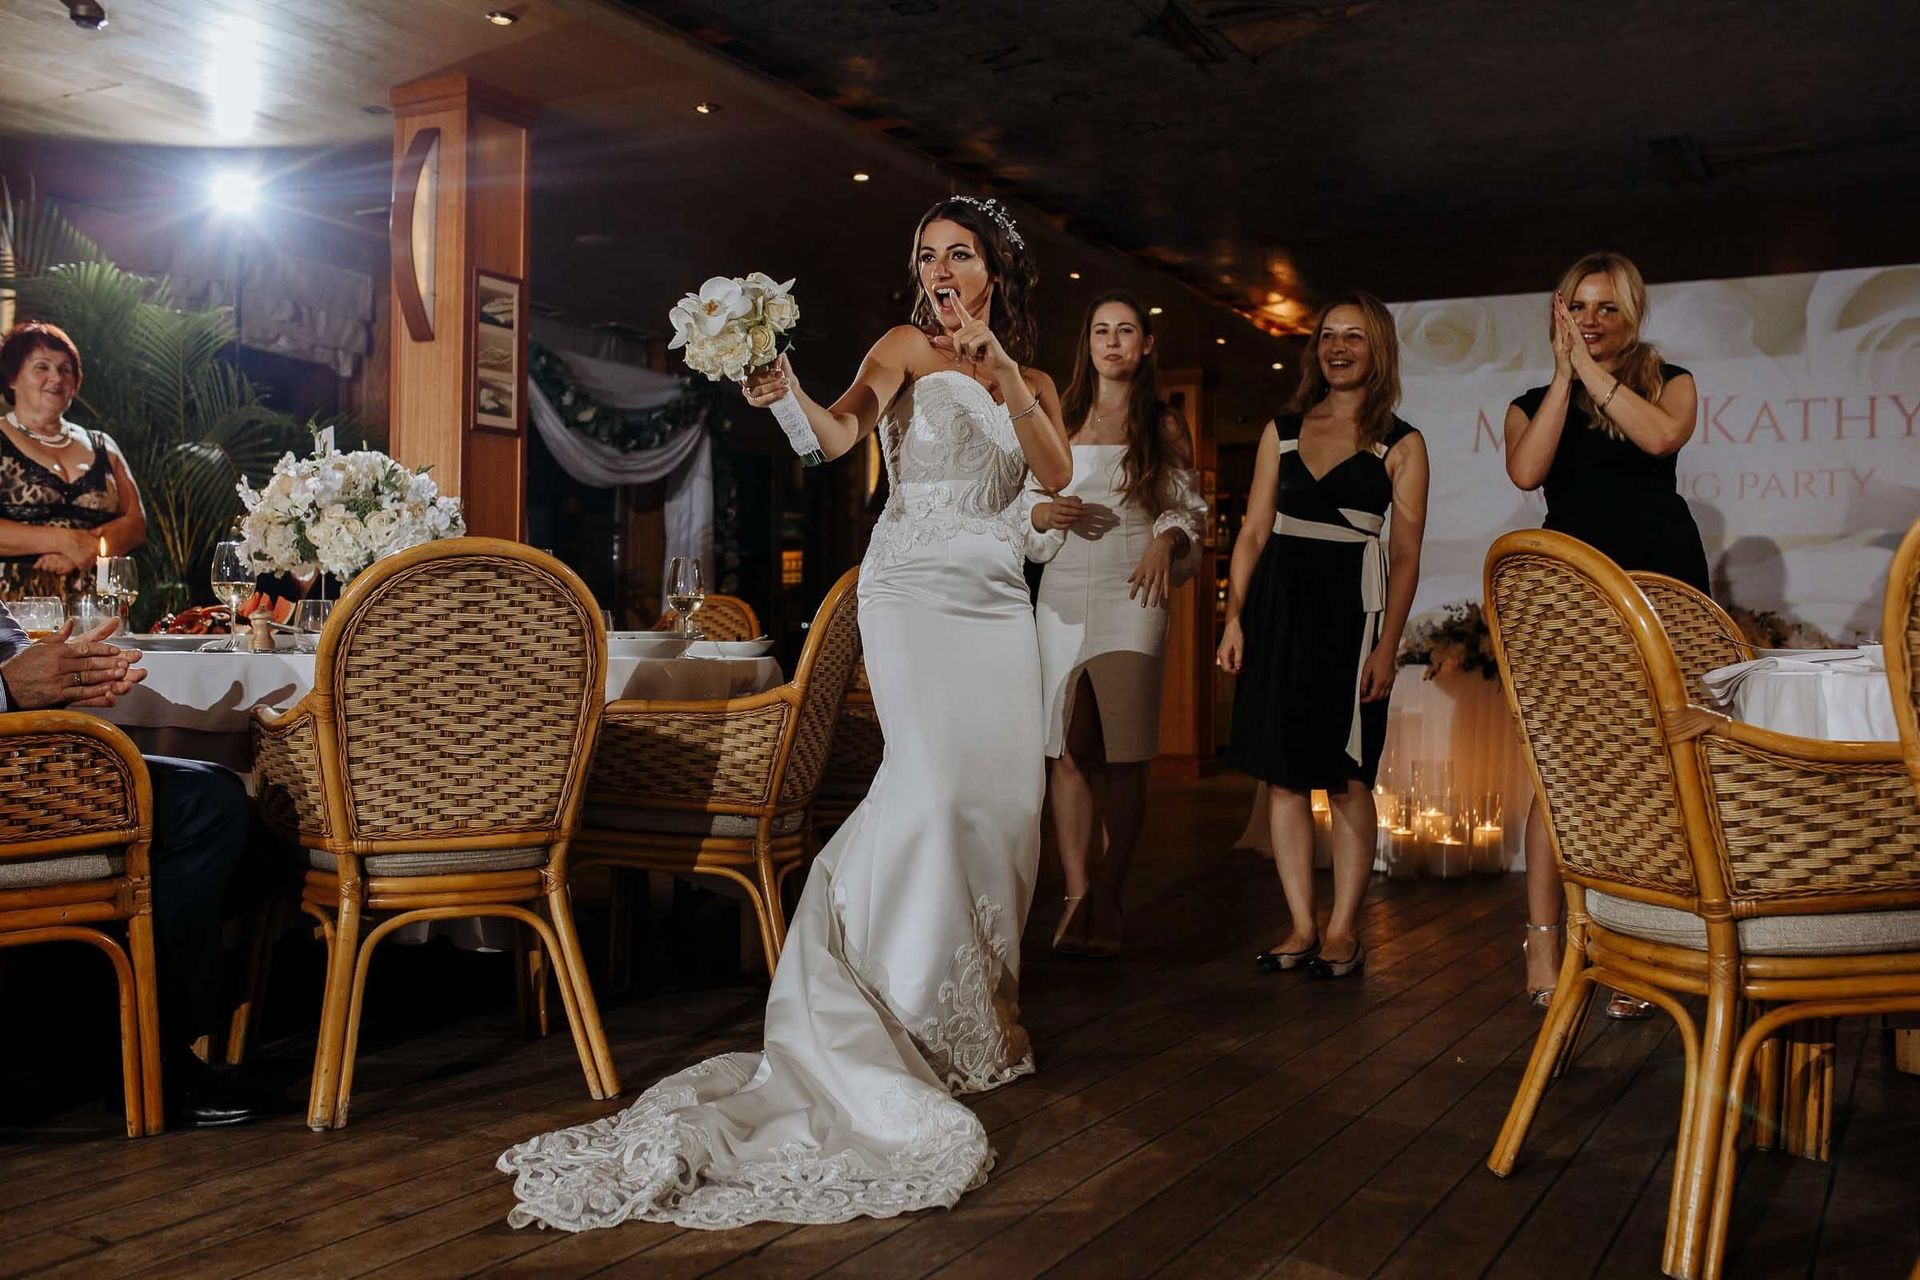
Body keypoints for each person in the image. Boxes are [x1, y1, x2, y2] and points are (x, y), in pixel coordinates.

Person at [499, 196, 1072, 1230]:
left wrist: (998, 368)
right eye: (926, 253)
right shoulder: (901, 345)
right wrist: (782, 394)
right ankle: (884, 1001)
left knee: (1004, 804)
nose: (940, 267)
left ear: (996, 272)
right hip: (910, 592)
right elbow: (833, 437)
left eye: (960, 253)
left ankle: (975, 1022)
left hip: (997, 605)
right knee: (933, 790)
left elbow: (1056, 472)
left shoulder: (1030, 380)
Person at [1505, 251, 1704, 1017]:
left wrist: (1592, 377)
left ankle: (1637, 949)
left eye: (1605, 309)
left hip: (1661, 589)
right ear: (1559, 315)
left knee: (1652, 774)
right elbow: (1527, 473)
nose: (1590, 322)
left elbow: (1659, 441)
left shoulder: (1671, 381)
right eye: (1576, 308)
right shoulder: (1530, 399)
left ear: (1632, 314)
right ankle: (1544, 939)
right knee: (1563, 771)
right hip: (1573, 600)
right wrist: (1564, 378)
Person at [1218, 293, 1429, 981]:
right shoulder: (1281, 430)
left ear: (1379, 352)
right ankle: (1301, 925)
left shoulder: (1402, 443)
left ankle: (1343, 930)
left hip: (1352, 614)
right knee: (1282, 776)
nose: (1338, 348)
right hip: (1278, 607)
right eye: (1328, 336)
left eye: (1355, 338)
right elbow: (1251, 533)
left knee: (1345, 777)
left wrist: (1387, 646)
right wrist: (1234, 619)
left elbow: (1405, 556)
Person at [0, 607, 269, 1127]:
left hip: (19, 767)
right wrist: (10, 688)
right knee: (208, 808)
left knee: (253, 822)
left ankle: (93, 1041)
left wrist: (62, 676)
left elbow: (12, 653)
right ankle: (145, 1056)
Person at [1027, 291, 1206, 957]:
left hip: (1136, 587)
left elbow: (1190, 509)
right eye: (1101, 330)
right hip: (1066, 592)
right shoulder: (1059, 416)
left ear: (1145, 345)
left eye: (1126, 330)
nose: (1112, 342)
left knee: (1125, 751)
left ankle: (1112, 891)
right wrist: (1045, 517)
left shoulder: (1163, 425)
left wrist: (1167, 537)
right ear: (1089, 343)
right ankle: (1077, 893)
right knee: (1069, 744)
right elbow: (1027, 506)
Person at [0, 322, 147, 600]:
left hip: (97, 611)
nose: (56, 377)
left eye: (65, 369)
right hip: (11, 617)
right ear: (11, 377)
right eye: (42, 367)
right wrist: (63, 541)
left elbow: (136, 523)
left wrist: (87, 551)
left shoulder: (103, 445)